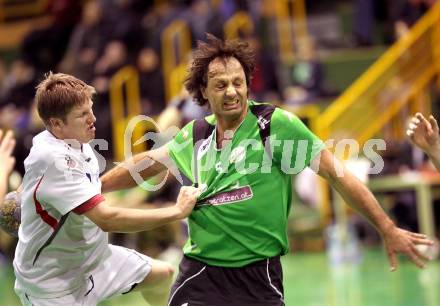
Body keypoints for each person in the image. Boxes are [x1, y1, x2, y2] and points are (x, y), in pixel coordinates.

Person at [101, 35, 434, 306]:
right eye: (220, 85)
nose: (232, 91)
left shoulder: (274, 125)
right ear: (203, 91)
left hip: (258, 278)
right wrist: (95, 187)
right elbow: (148, 164)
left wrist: (386, 227)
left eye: (238, 82)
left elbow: (338, 175)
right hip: (200, 273)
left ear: (248, 84)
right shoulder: (196, 133)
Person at [12, 73, 200, 306]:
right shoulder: (54, 160)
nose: (92, 118)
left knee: (162, 275)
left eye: (90, 109)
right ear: (56, 124)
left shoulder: (73, 140)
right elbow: (107, 219)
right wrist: (176, 212)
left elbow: (90, 184)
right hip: (52, 287)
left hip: (93, 262)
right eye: (82, 115)